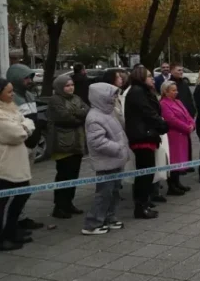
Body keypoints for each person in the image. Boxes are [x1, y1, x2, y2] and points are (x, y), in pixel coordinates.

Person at [82, 83, 129, 235]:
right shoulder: (95, 117)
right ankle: (92, 223)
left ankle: (109, 217)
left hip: (115, 160)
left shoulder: (108, 112)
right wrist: (117, 148)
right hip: (106, 162)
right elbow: (97, 142)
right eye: (112, 95)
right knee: (103, 193)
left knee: (114, 191)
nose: (115, 97)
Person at [124, 66, 169, 219]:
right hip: (142, 137)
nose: (152, 78)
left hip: (147, 135)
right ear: (140, 77)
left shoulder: (143, 91)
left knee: (147, 172)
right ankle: (141, 206)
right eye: (149, 76)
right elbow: (147, 112)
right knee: (144, 173)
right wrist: (162, 124)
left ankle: (145, 202)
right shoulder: (137, 91)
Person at [0, 78, 36, 251]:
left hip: (18, 161)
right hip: (4, 164)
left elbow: (28, 121)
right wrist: (24, 127)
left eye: (12, 90)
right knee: (1, 203)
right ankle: (1, 238)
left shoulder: (10, 108)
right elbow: (15, 134)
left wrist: (24, 126)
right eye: (8, 91)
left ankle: (11, 230)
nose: (12, 94)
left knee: (23, 193)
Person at [47, 75, 89, 219]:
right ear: (60, 87)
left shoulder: (76, 98)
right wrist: (79, 114)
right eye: (67, 85)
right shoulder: (55, 100)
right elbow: (65, 118)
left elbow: (87, 110)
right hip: (63, 144)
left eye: (71, 84)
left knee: (73, 175)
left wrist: (77, 113)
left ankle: (68, 203)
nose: (70, 87)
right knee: (64, 175)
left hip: (77, 142)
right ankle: (59, 206)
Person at [159, 81, 195, 192]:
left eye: (176, 90)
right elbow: (171, 120)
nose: (176, 92)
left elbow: (187, 115)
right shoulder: (163, 104)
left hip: (182, 135)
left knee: (180, 159)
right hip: (173, 135)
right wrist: (186, 127)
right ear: (166, 92)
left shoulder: (178, 102)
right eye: (173, 90)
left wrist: (192, 124)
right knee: (173, 160)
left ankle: (177, 182)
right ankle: (172, 185)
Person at [170, 64, 195, 173]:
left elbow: (189, 99)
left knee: (187, 144)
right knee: (178, 146)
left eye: (182, 70)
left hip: (187, 117)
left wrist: (192, 115)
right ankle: (180, 167)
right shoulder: (170, 84)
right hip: (178, 120)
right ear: (172, 71)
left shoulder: (184, 83)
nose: (181, 72)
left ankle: (188, 163)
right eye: (178, 70)